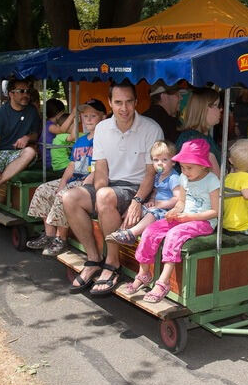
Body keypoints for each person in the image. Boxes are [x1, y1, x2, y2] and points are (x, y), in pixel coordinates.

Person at [61, 80, 163, 296]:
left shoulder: (151, 128)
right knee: (69, 197)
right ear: (110, 102)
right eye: (118, 102)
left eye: (128, 102)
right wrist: (99, 193)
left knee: (106, 195)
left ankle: (113, 263)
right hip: (109, 187)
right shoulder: (102, 128)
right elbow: (101, 169)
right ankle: (93, 258)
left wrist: (137, 201)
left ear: (136, 102)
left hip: (135, 188)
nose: (123, 108)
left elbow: (150, 173)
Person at [123, 139, 221, 303]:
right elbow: (181, 202)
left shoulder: (211, 181)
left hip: (203, 222)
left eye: (189, 167)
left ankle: (163, 282)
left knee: (174, 235)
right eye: (182, 167)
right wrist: (175, 211)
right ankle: (144, 273)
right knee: (151, 230)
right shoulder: (183, 177)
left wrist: (190, 217)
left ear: (204, 165)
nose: (184, 171)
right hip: (184, 218)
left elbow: (216, 211)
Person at [26, 99, 107, 256]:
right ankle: (49, 235)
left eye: (93, 116)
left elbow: (103, 165)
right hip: (74, 178)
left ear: (103, 118)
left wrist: (88, 180)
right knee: (43, 189)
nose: (88, 119)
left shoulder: (105, 139)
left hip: (89, 182)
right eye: (85, 116)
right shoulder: (81, 140)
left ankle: (60, 238)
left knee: (65, 195)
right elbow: (72, 164)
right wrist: (62, 182)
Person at [0, 77, 41, 215]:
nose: (26, 95)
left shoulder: (32, 111)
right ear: (11, 93)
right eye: (21, 91)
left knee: (30, 151)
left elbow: (36, 134)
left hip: (17, 153)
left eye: (28, 91)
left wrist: (27, 137)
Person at [106, 140, 181, 246]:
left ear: (173, 162)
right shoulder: (158, 176)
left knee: (152, 214)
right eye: (156, 160)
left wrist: (160, 204)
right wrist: (151, 200)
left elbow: (178, 198)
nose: (159, 163)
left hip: (168, 210)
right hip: (157, 206)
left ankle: (132, 234)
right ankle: (123, 230)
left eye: (164, 159)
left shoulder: (174, 178)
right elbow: (155, 191)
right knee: (135, 211)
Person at [174, 87, 223, 176]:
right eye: (216, 105)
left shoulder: (201, 136)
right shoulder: (196, 140)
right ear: (203, 109)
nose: (220, 109)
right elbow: (216, 179)